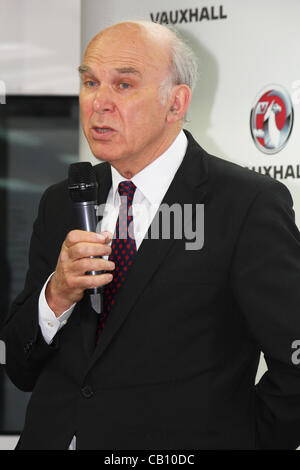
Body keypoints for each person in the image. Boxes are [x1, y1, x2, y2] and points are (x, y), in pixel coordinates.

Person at [1, 20, 300, 450]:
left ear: (175, 103)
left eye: (123, 85)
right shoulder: (62, 201)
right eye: (89, 81)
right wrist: (56, 297)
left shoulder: (245, 204)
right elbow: (18, 365)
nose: (98, 102)